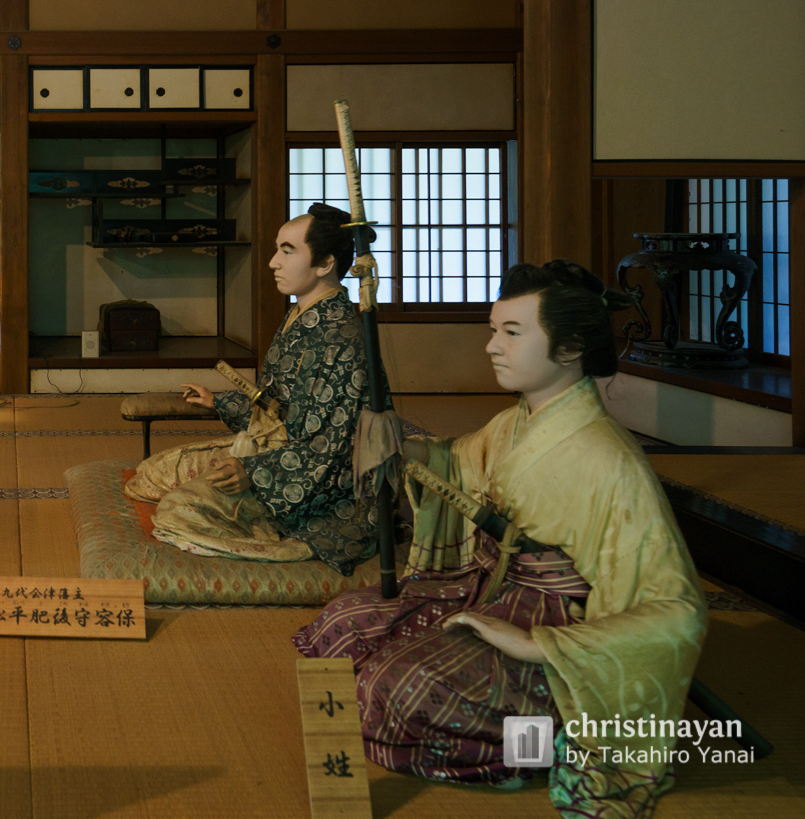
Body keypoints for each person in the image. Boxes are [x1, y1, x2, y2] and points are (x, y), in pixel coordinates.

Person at [292, 260, 707, 818]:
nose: (491, 346)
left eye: (511, 333)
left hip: (552, 619)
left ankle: (538, 748)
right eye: (494, 329)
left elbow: (676, 611)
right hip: (486, 586)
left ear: (570, 348)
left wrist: (539, 645)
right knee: (344, 627)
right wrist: (401, 447)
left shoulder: (609, 461)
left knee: (398, 688)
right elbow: (456, 466)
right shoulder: (515, 422)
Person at [122, 203, 378, 574]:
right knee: (149, 475)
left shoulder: (340, 337)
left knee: (178, 512)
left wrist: (255, 472)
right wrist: (219, 402)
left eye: (287, 251)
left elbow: (332, 451)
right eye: (278, 249)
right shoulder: (300, 313)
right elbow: (276, 409)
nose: (274, 262)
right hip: (271, 450)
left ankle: (275, 538)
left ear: (325, 264)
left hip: (315, 486)